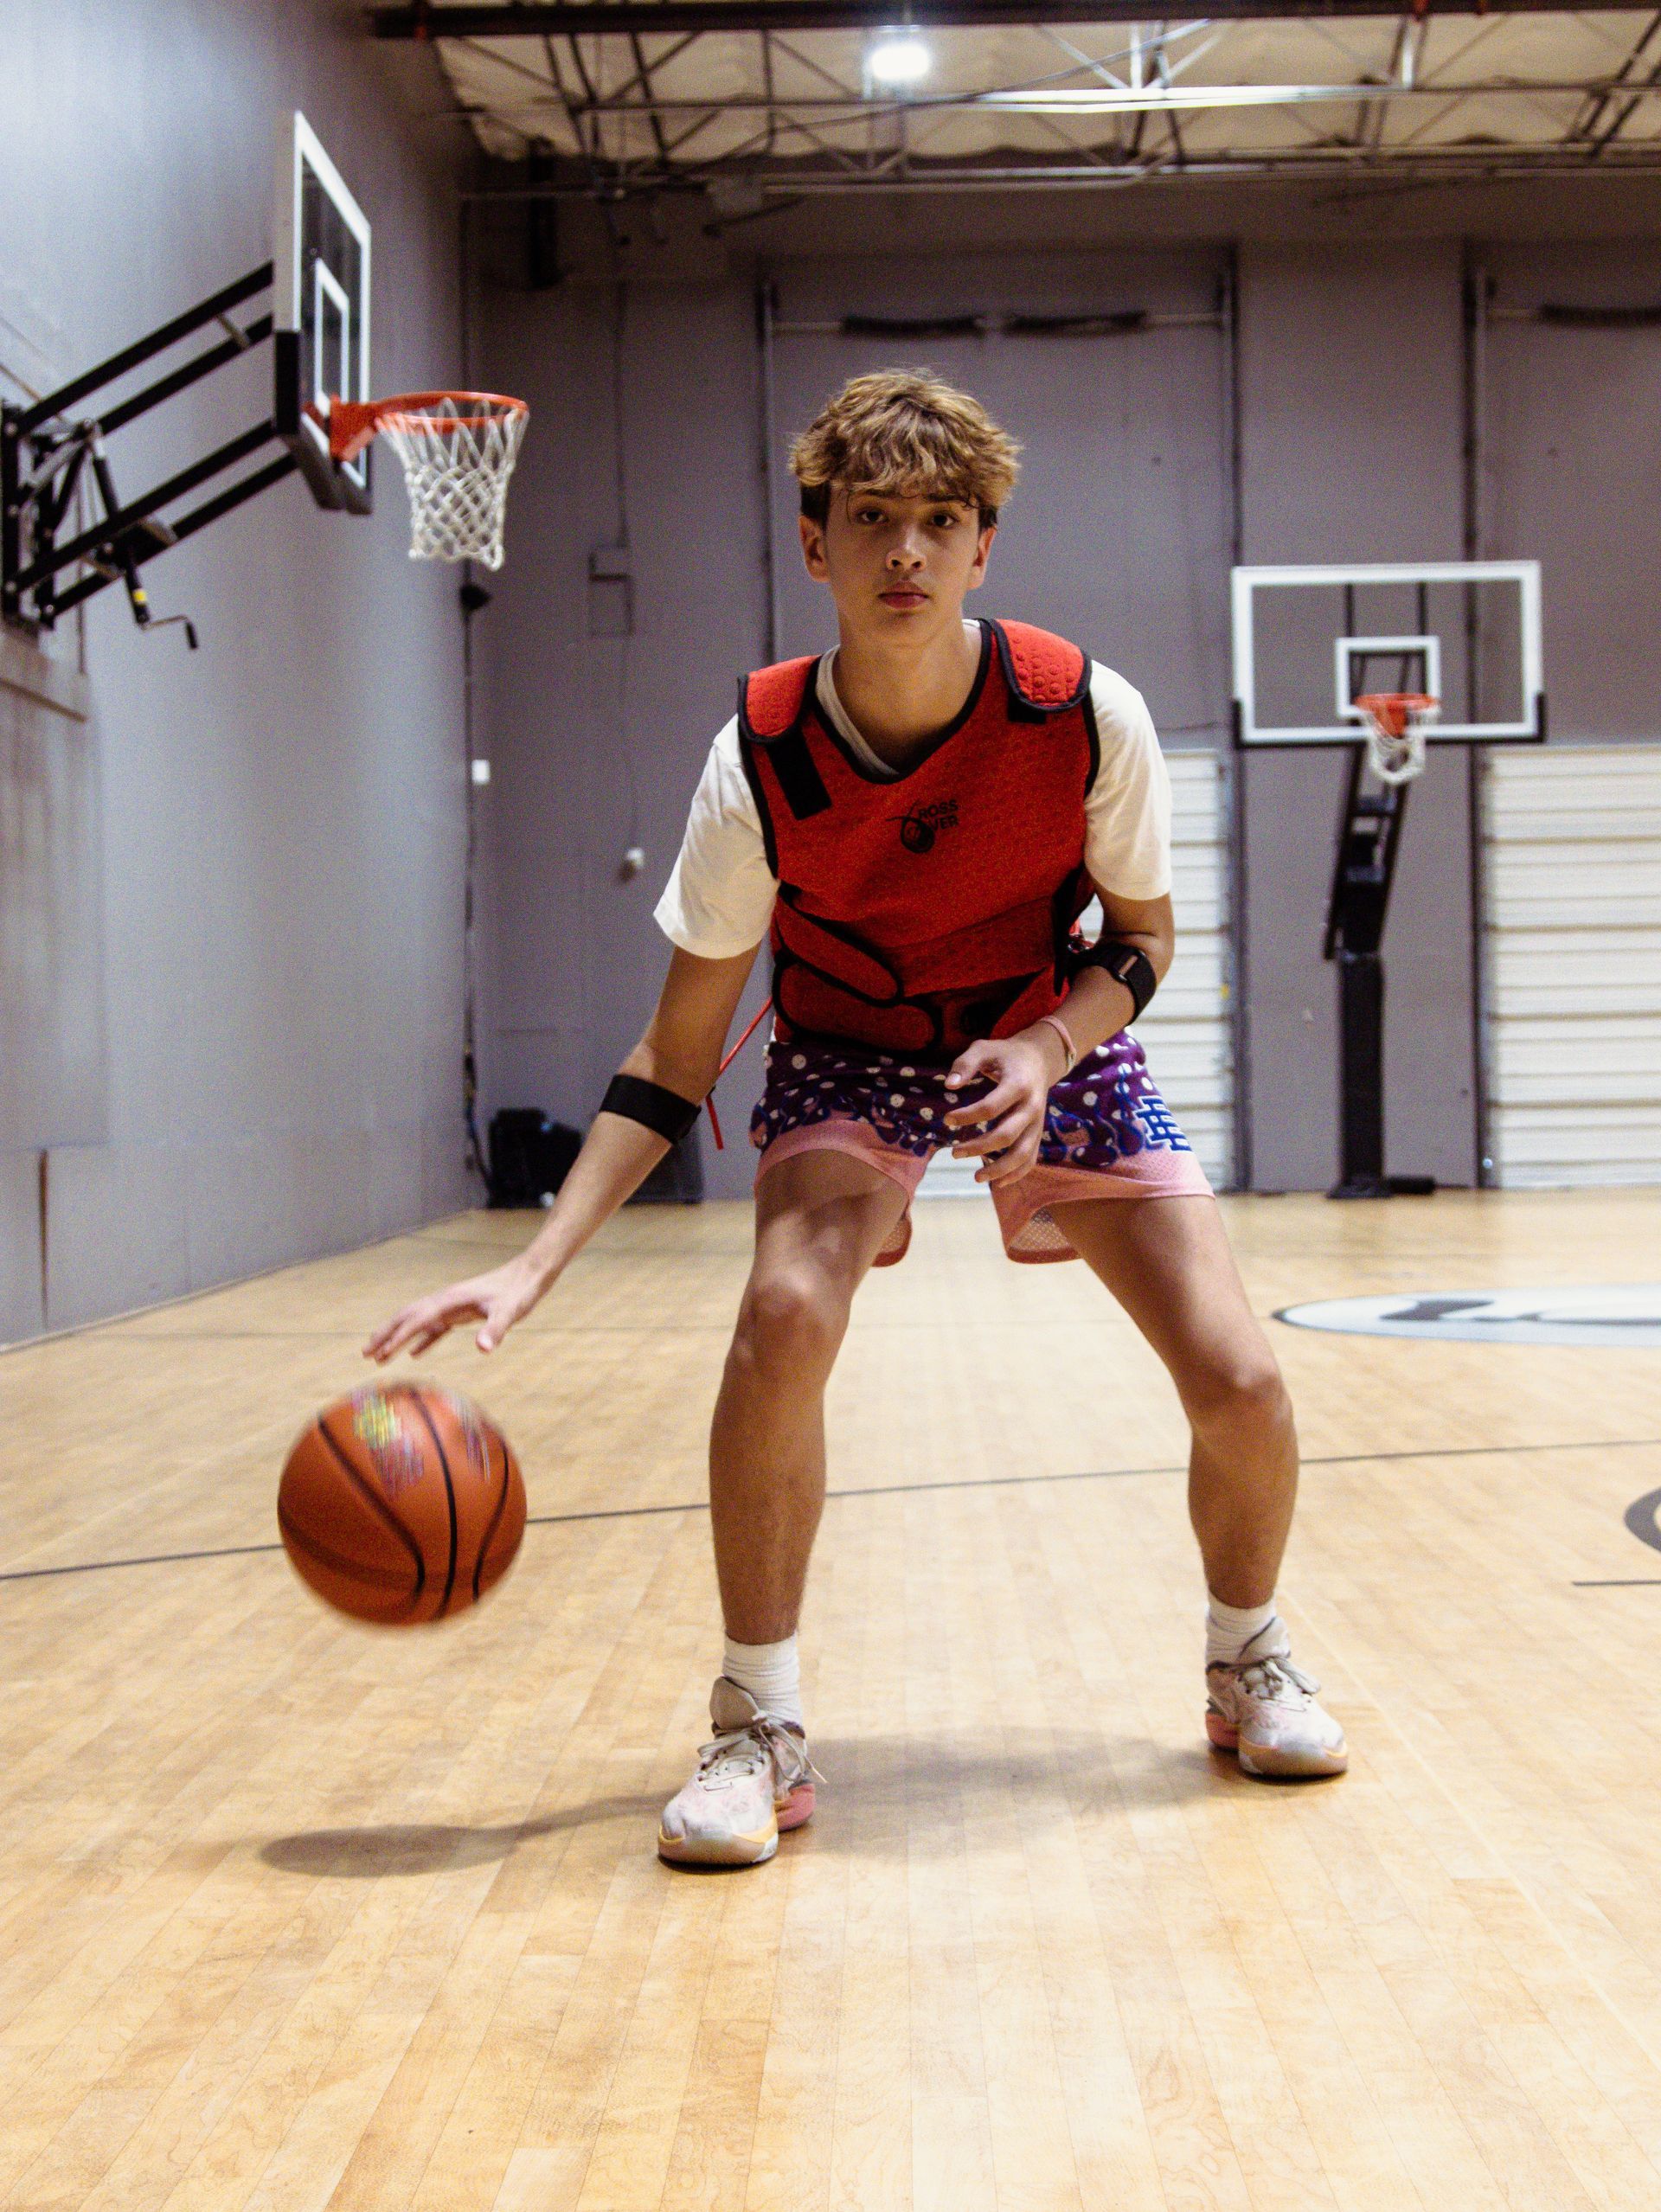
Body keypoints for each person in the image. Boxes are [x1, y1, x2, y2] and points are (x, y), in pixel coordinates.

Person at [366, 369, 1347, 1869]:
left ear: (983, 548)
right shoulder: (757, 758)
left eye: (939, 522)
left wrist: (1044, 1042)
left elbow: (1141, 940)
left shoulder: (1085, 711)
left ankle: (1248, 1652)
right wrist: (533, 1261)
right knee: (780, 1317)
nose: (907, 551)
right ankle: (757, 1716)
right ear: (813, 544)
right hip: (846, 1046)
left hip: (1045, 1026)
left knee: (1243, 1378)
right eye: (873, 520)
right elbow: (676, 1056)